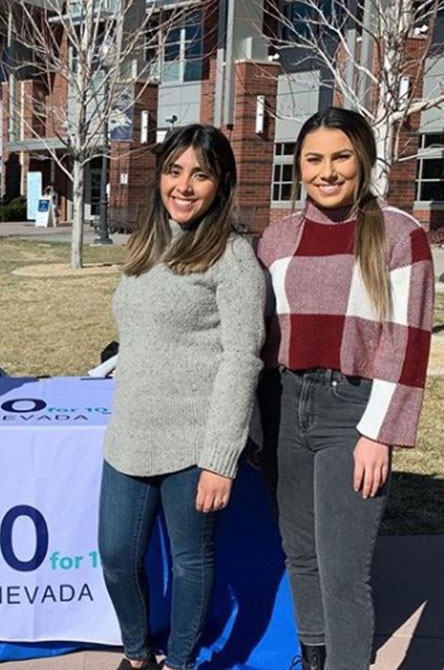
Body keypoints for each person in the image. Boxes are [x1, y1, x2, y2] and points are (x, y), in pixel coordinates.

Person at [257, 107, 434, 670]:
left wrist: (378, 433)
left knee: (342, 572)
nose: (327, 172)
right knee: (301, 555)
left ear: (364, 161)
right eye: (314, 159)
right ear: (299, 166)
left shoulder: (400, 235)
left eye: (341, 157)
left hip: (352, 412)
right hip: (286, 405)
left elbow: (407, 344)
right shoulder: (278, 238)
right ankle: (313, 656)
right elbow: (260, 338)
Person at [99, 124, 265, 670]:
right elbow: (145, 333)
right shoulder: (145, 245)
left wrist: (220, 460)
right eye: (174, 171)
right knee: (118, 556)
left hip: (195, 441)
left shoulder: (234, 259)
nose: (185, 186)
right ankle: (137, 653)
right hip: (130, 433)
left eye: (201, 174)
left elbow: (242, 361)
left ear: (222, 184)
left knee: (191, 561)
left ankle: (182, 660)